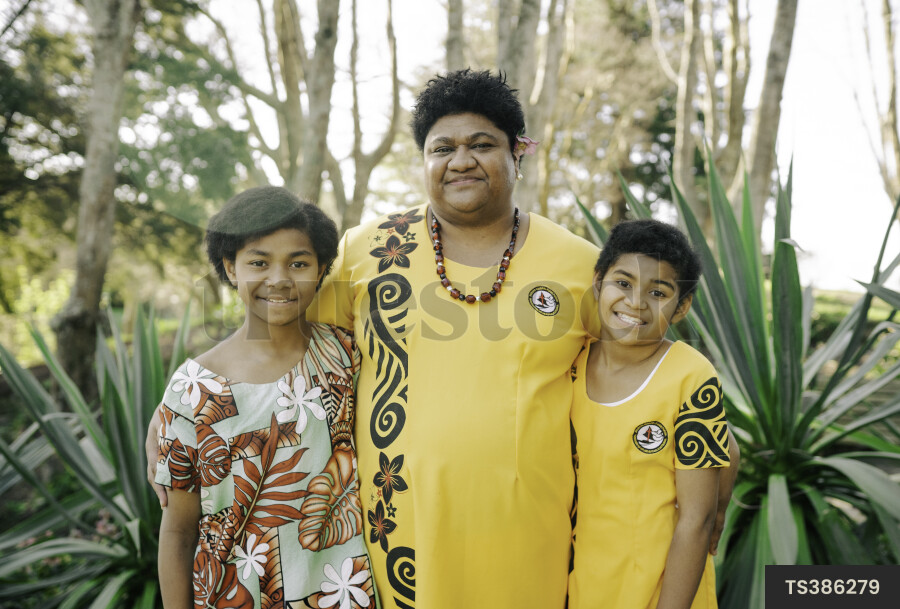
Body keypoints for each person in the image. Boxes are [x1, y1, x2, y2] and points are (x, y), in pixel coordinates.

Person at [148, 70, 737, 608]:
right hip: (393, 544)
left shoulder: (581, 266)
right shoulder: (367, 249)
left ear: (517, 154)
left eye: (482, 144)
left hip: (530, 546)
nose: (462, 161)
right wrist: (187, 400)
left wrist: (713, 449)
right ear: (423, 162)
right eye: (442, 148)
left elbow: (643, 364)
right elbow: (282, 334)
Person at [155, 187, 377, 609]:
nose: (279, 279)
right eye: (259, 262)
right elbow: (179, 531)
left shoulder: (346, 354)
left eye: (298, 263)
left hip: (343, 594)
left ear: (322, 269)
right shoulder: (193, 391)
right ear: (230, 268)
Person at [568, 218, 733, 609]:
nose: (636, 302)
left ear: (682, 307)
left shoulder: (691, 377)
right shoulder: (568, 363)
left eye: (658, 292)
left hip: (663, 589)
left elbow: (696, 521)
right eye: (622, 283)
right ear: (598, 282)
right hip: (580, 582)